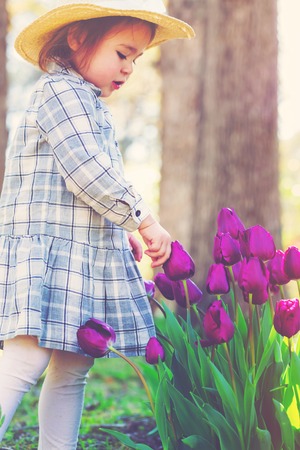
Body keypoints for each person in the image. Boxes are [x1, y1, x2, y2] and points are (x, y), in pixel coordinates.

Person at [0, 0, 195, 448]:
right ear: (77, 39)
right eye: (122, 53)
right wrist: (143, 219)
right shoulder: (59, 93)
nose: (128, 68)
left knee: (73, 366)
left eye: (136, 59)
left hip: (77, 253)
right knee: (26, 359)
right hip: (46, 251)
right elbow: (87, 169)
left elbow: (89, 183)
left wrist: (118, 225)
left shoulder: (90, 104)